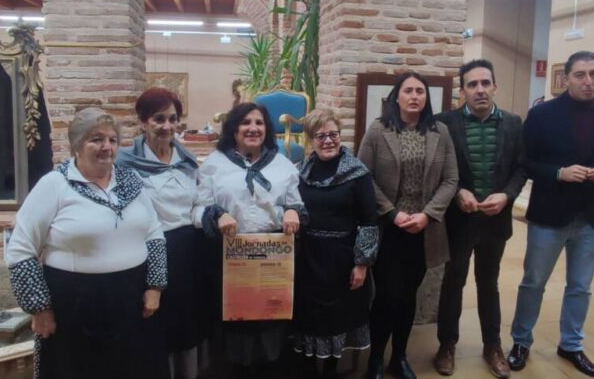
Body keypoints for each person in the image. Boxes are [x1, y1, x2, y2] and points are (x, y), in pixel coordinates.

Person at [6, 107, 167, 379]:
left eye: (112, 140)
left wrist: (155, 287)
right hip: (74, 308)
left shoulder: (131, 181)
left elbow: (154, 233)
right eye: (96, 139)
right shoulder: (54, 185)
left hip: (132, 303)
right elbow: (20, 250)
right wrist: (39, 308)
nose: (107, 147)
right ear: (77, 145)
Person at [508, 51, 594, 377]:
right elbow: (525, 162)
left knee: (581, 286)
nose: (588, 81)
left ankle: (571, 345)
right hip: (550, 215)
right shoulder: (542, 114)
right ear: (566, 78)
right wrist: (558, 173)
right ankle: (521, 341)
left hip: (592, 216)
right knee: (534, 282)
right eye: (580, 75)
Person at [194, 102, 307, 378]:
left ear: (267, 129)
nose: (253, 128)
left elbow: (297, 204)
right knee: (236, 323)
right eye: (245, 122)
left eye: (259, 123)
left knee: (271, 322)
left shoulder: (283, 165)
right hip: (231, 257)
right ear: (233, 129)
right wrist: (217, 215)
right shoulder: (214, 164)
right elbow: (197, 209)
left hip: (273, 257)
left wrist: (293, 211)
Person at [358, 72, 459, 379]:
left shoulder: (440, 132)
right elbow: (363, 176)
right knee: (387, 295)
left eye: (420, 91)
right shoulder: (378, 130)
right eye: (408, 91)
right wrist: (392, 213)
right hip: (389, 229)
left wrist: (428, 214)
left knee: (408, 296)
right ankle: (376, 359)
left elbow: (451, 179)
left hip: (424, 231)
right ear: (397, 97)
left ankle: (399, 357)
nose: (415, 96)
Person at [432, 60, 526, 378]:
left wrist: (507, 195)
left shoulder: (513, 123)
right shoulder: (445, 123)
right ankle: (446, 345)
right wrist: (457, 191)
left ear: (495, 87)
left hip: (495, 221)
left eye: (485, 83)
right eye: (472, 84)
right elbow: (438, 168)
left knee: (489, 284)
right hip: (459, 220)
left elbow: (521, 168)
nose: (480, 90)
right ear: (463, 91)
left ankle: (492, 346)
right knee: (453, 283)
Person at [117, 88, 210, 379]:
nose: (167, 126)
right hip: (149, 254)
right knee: (155, 324)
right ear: (143, 122)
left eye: (172, 119)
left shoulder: (188, 161)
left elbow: (199, 204)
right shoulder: (124, 165)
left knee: (187, 322)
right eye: (159, 119)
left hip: (189, 253)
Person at [293, 109, 380, 379]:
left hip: (342, 259)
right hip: (308, 258)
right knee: (308, 315)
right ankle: (308, 367)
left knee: (337, 318)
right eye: (320, 136)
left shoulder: (357, 173)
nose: (328, 141)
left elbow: (369, 221)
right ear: (310, 140)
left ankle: (331, 368)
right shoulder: (300, 171)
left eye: (333, 134)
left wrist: (362, 264)